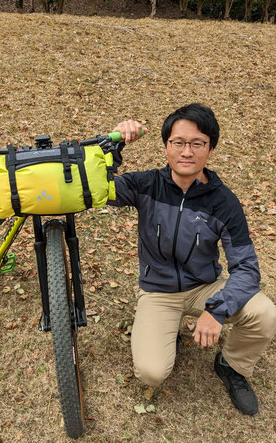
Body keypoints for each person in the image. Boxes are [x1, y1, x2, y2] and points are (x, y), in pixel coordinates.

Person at [108, 103, 276, 416]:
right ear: (167, 147)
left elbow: (247, 270)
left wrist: (217, 309)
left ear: (210, 149)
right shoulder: (145, 185)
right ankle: (166, 330)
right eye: (179, 143)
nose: (187, 152)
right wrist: (114, 145)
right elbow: (93, 188)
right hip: (157, 292)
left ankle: (232, 366)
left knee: (265, 314)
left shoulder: (224, 202)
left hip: (205, 286)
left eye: (197, 144)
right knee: (151, 373)